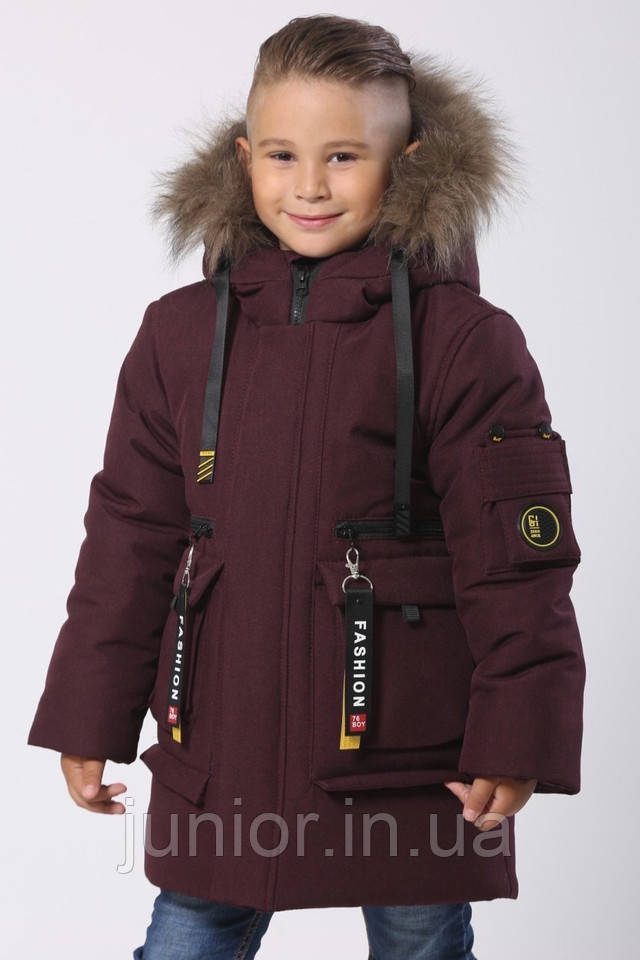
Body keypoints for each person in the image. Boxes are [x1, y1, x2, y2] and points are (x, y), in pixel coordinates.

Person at [27, 14, 586, 960]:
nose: (311, 186)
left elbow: (515, 563)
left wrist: (517, 733)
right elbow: (129, 537)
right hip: (221, 743)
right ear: (244, 157)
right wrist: (91, 714)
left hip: (408, 751)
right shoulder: (178, 334)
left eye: (344, 156)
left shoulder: (464, 339)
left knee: (421, 938)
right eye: (283, 155)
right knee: (189, 933)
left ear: (406, 163)